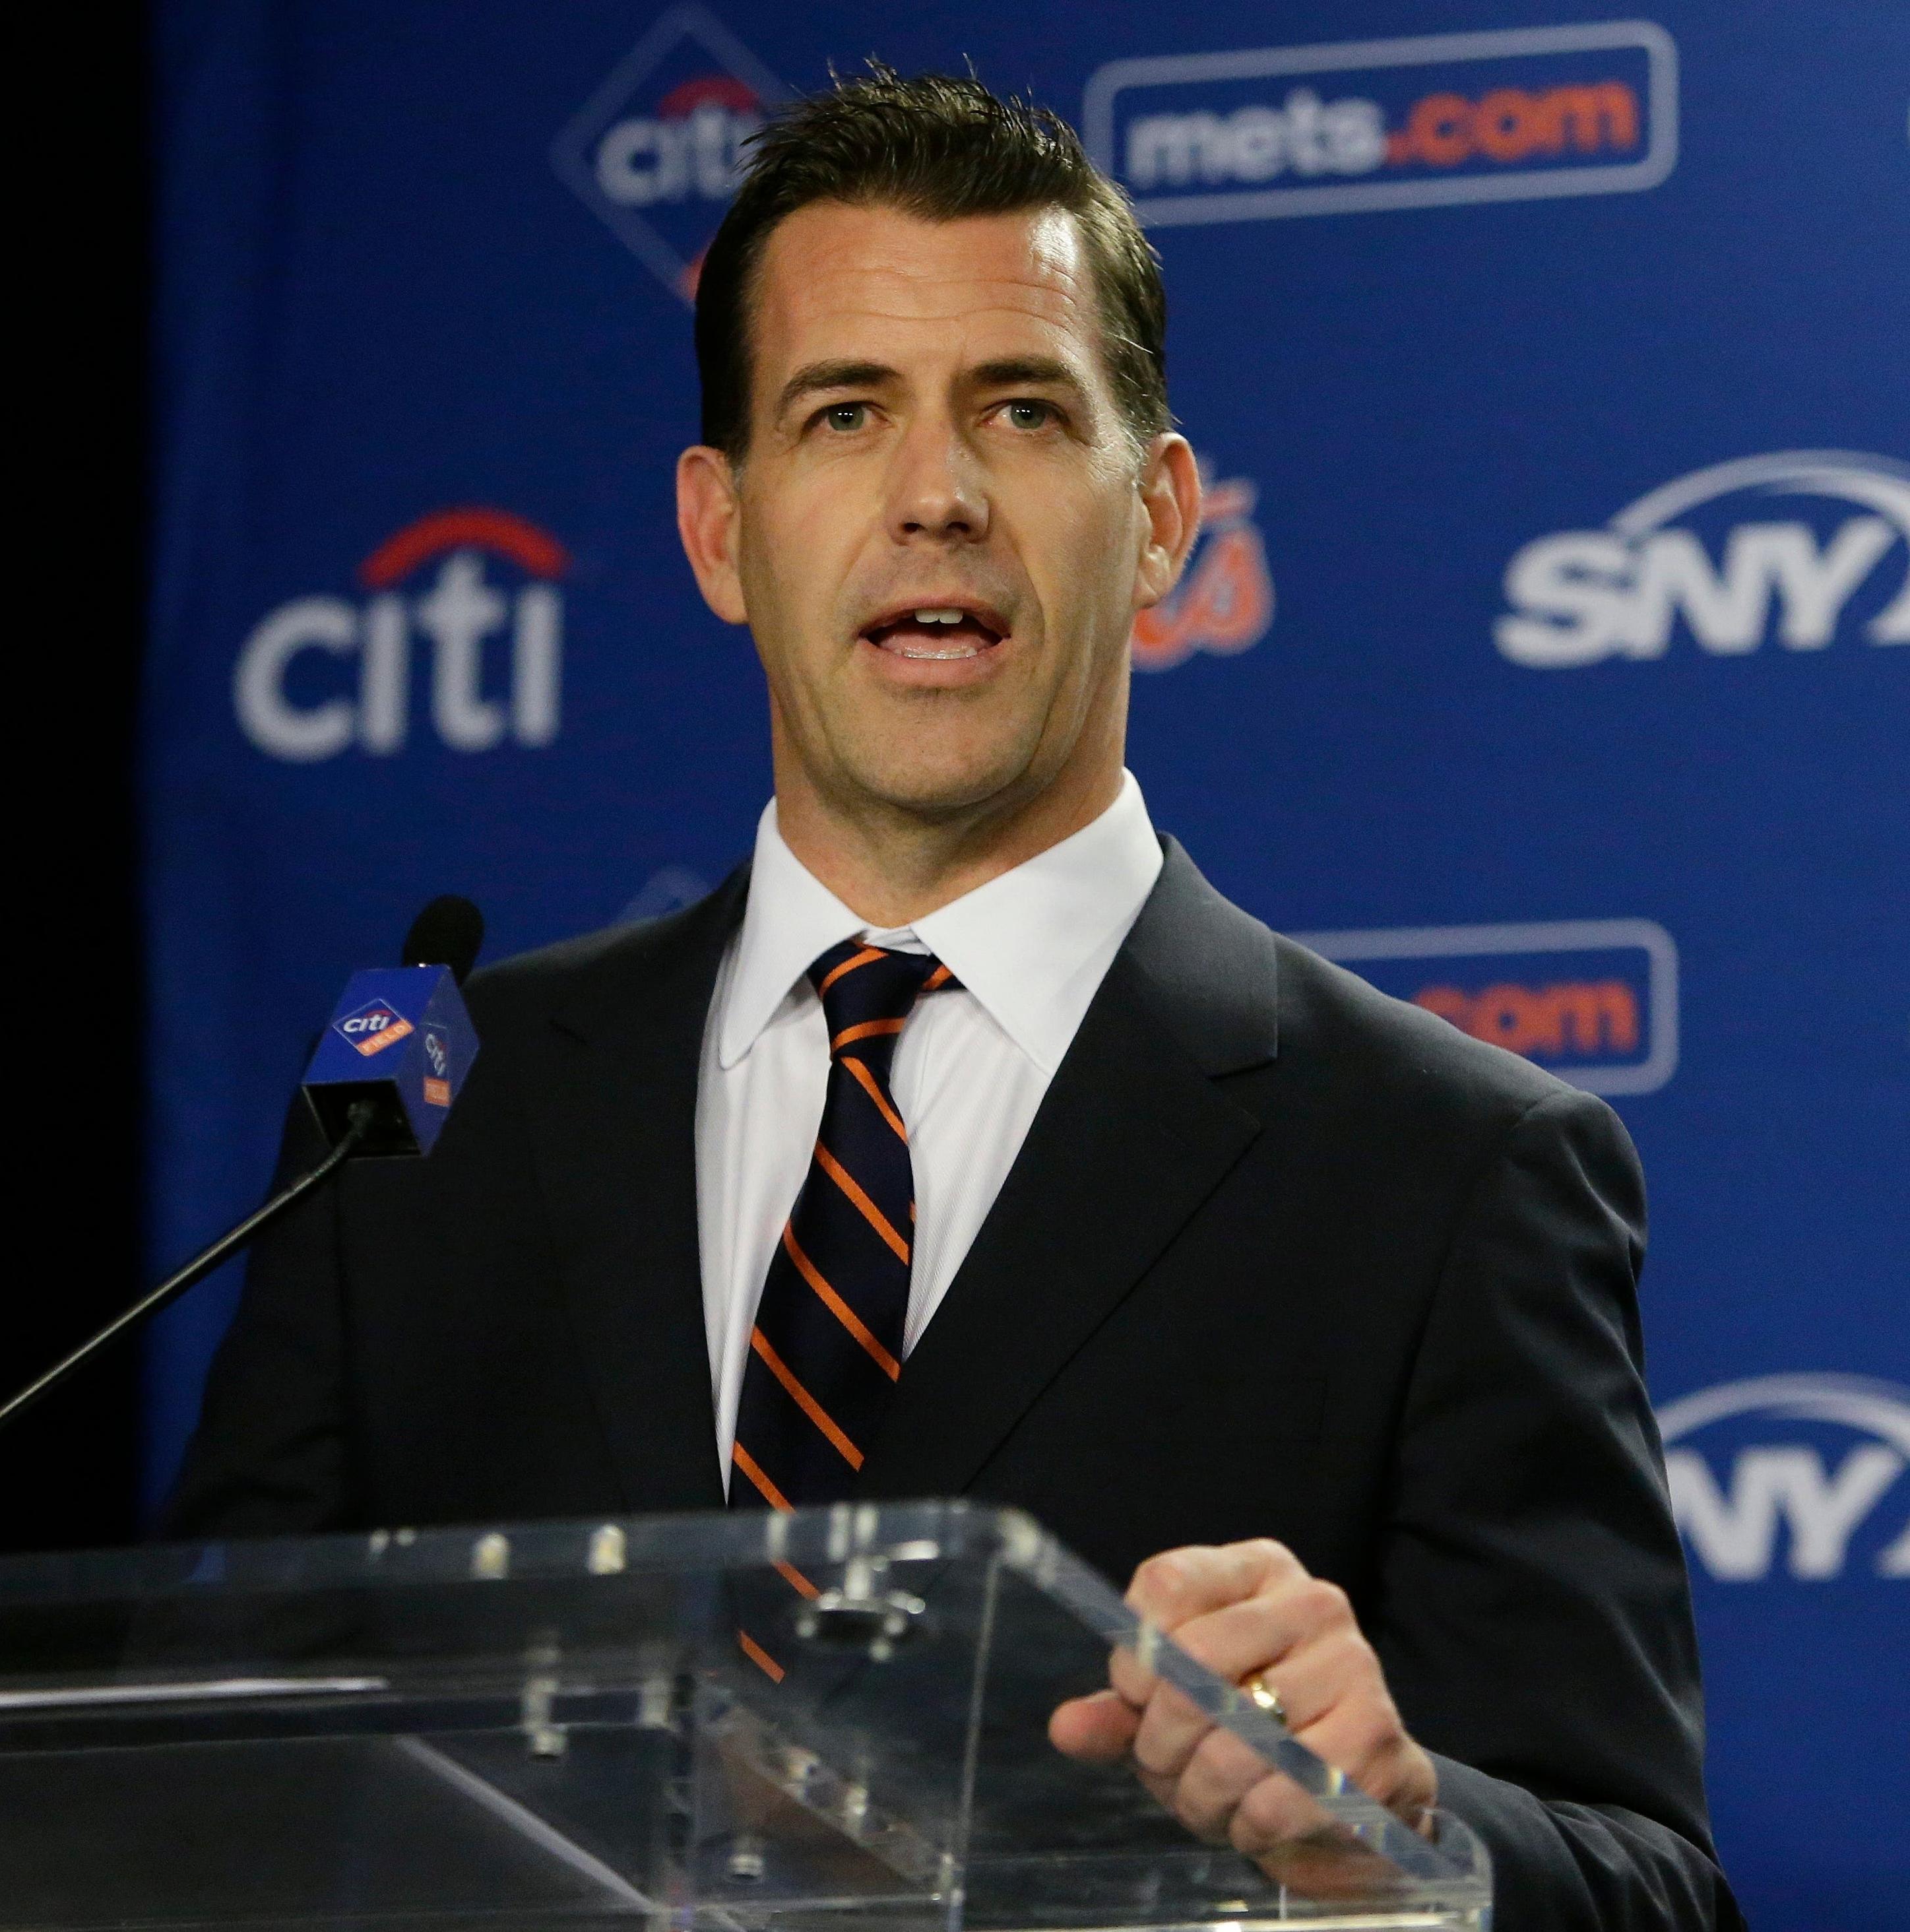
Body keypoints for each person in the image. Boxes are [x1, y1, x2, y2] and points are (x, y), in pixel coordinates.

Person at [165, 69, 1738, 1930]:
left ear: (1157, 519)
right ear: (720, 530)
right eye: (845, 416)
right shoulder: (429, 1114)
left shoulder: (1455, 1167)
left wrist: (1393, 1839)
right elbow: (206, 1776)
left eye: (1019, 408)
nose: (937, 496)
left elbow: (1647, 1888)